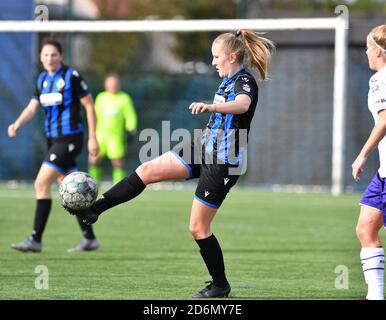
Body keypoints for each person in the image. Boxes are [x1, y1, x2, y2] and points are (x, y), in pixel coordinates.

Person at [64, 29, 274, 298]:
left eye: (215, 57)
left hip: (224, 161)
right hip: (202, 147)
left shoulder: (244, 81)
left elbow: (242, 105)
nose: (213, 62)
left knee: (198, 228)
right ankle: (95, 210)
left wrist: (211, 107)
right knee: (147, 170)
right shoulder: (226, 80)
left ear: (232, 57)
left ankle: (220, 285)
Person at [8, 38, 100, 253]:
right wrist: (17, 124)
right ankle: (89, 237)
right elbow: (32, 107)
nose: (50, 58)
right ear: (40, 58)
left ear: (61, 57)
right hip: (53, 140)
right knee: (70, 189)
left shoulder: (71, 76)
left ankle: (35, 239)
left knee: (41, 184)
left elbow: (89, 105)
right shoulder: (41, 79)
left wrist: (92, 137)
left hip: (70, 139)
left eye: (54, 54)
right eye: (46, 55)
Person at [352, 24, 386, 300]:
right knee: (366, 227)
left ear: (378, 50)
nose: (366, 52)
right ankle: (375, 296)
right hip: (384, 172)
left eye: (367, 47)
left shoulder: (381, 79)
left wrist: (362, 154)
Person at [89, 73, 137, 185]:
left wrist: (131, 129)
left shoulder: (124, 98)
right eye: (110, 83)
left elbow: (130, 115)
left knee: (118, 162)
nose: (112, 85)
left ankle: (118, 185)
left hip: (116, 136)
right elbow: (94, 115)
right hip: (100, 135)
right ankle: (93, 184)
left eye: (115, 83)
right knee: (94, 160)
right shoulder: (101, 97)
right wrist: (92, 133)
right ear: (105, 85)